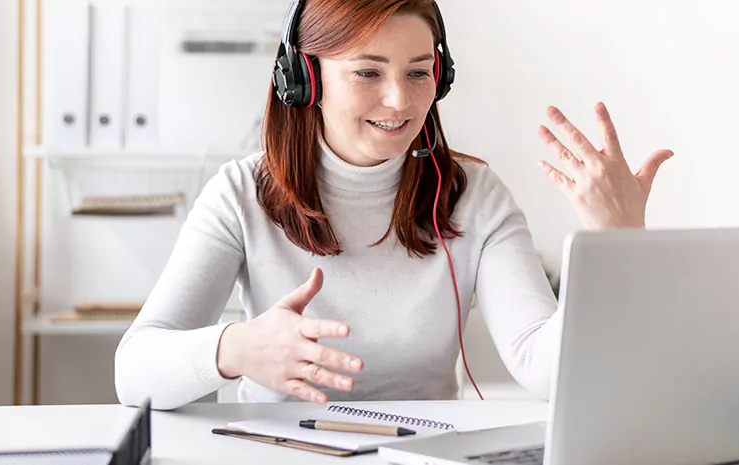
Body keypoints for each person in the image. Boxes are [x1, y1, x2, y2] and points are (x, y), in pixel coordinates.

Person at [114, 0, 673, 410]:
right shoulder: (241, 194)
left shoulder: (474, 196)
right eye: (367, 72)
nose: (400, 101)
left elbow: (543, 364)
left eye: (418, 72)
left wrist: (615, 239)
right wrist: (234, 347)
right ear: (306, 79)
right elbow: (133, 372)